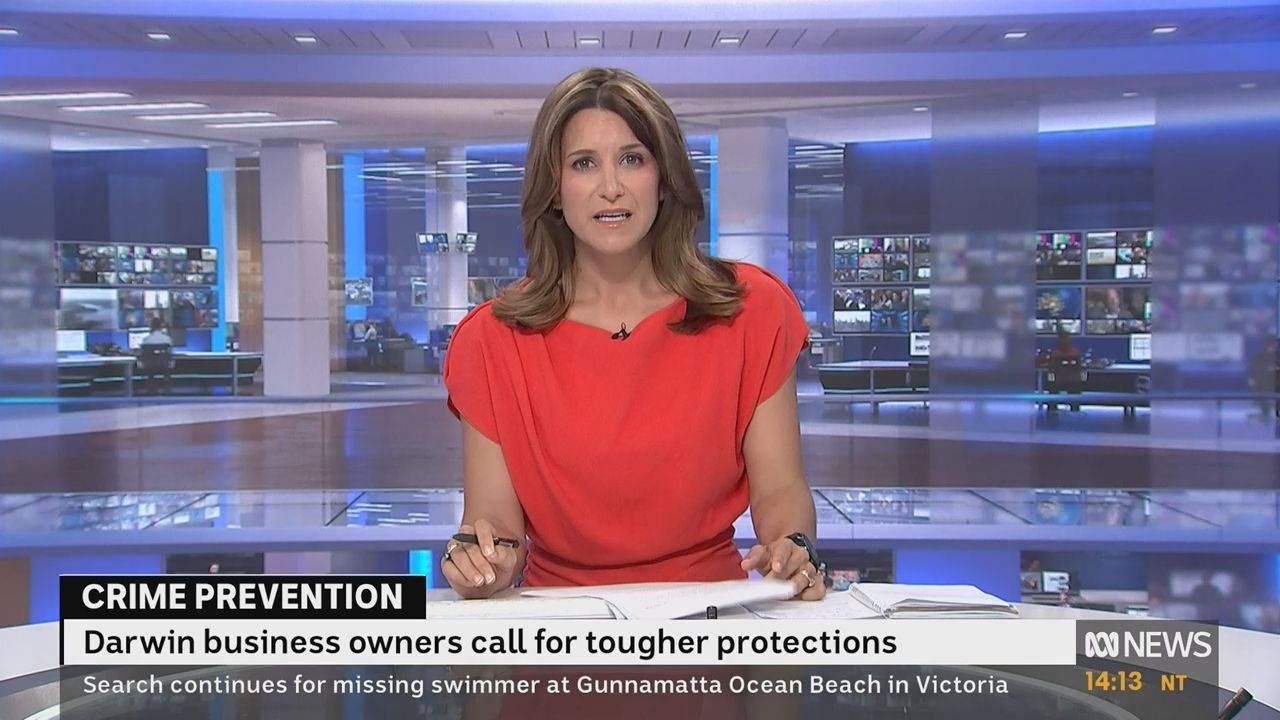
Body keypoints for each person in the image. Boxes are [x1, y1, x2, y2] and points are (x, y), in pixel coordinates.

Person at [442, 67, 822, 602]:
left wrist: (792, 546)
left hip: (711, 618)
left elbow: (781, 488)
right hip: (555, 625)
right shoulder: (491, 341)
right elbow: (495, 521)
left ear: (663, 178)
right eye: (583, 164)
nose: (611, 187)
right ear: (554, 190)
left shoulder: (751, 312)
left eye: (632, 159)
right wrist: (486, 559)